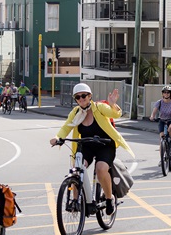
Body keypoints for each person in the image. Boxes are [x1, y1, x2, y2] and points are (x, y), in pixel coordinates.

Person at [49, 83, 132, 215]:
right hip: (86, 145)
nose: (81, 99)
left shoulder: (99, 108)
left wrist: (112, 104)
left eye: (84, 96)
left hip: (105, 145)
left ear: (90, 96)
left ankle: (109, 198)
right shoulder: (76, 112)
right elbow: (66, 127)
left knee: (101, 169)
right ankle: (76, 201)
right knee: (76, 169)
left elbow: (115, 114)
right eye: (78, 97)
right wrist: (57, 137)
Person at [149, 85, 171, 155]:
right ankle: (161, 160)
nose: (166, 94)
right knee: (162, 138)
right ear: (162, 94)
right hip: (162, 121)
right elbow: (154, 111)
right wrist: (152, 116)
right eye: (164, 92)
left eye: (168, 92)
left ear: (170, 94)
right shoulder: (159, 102)